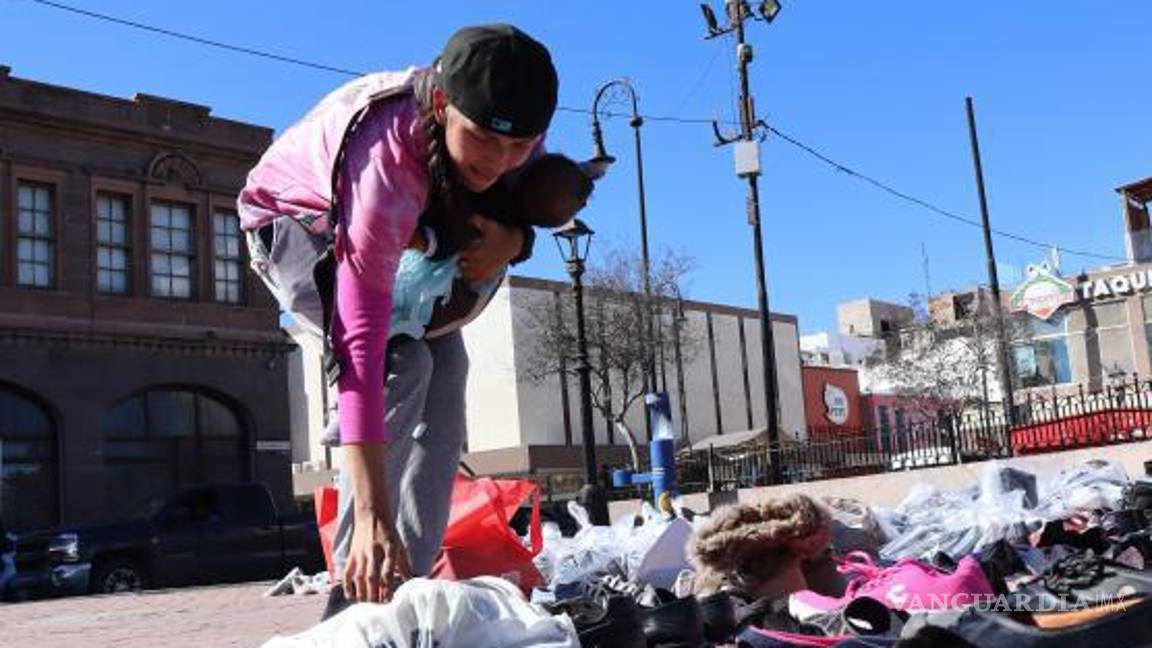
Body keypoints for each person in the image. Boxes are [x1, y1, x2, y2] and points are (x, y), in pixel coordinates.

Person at [237, 24, 560, 614]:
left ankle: (410, 582)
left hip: (411, 241)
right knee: (402, 364)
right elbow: (357, 348)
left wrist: (514, 239)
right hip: (294, 226)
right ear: (442, 103)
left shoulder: (515, 142)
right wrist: (370, 518)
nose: (500, 161)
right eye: (484, 139)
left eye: (519, 147)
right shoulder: (385, 161)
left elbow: (528, 202)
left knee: (449, 367)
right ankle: (355, 588)